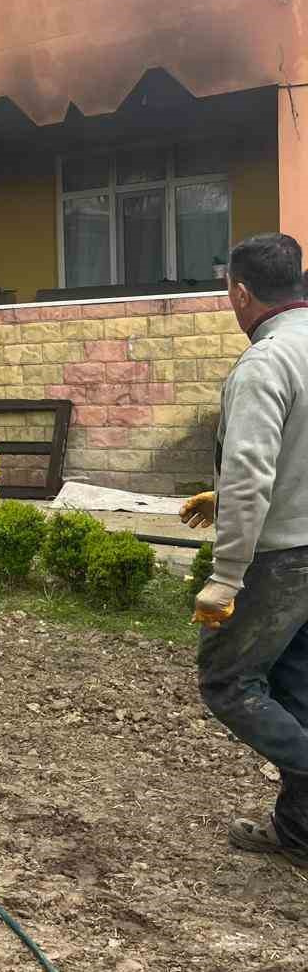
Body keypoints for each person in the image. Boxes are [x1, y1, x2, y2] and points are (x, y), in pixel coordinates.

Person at [182, 232, 308, 866]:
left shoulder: (266, 362)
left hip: (282, 559)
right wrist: (224, 495)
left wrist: (227, 576)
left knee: (228, 680)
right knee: (296, 681)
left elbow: (253, 469)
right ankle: (301, 832)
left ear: (239, 292)